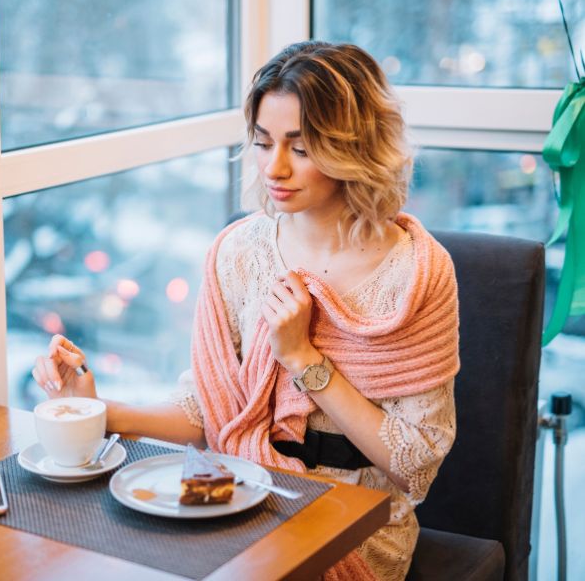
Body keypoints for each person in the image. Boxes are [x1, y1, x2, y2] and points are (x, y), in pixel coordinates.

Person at [32, 40, 459, 581]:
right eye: (263, 143)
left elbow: (415, 461)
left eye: (301, 149)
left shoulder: (417, 275)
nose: (274, 168)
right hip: (240, 493)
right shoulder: (238, 253)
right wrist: (91, 412)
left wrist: (304, 359)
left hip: (358, 527)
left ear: (355, 148)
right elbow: (209, 409)